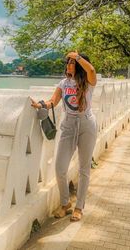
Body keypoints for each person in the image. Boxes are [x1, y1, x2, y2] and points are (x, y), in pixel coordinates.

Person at [31, 51, 97, 222]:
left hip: (86, 124)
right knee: (60, 168)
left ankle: (79, 207)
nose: (68, 64)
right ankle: (65, 203)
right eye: (67, 62)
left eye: (72, 62)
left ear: (79, 65)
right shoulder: (63, 83)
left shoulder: (89, 81)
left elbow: (91, 70)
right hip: (68, 125)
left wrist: (78, 57)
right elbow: (54, 101)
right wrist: (40, 104)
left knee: (84, 169)